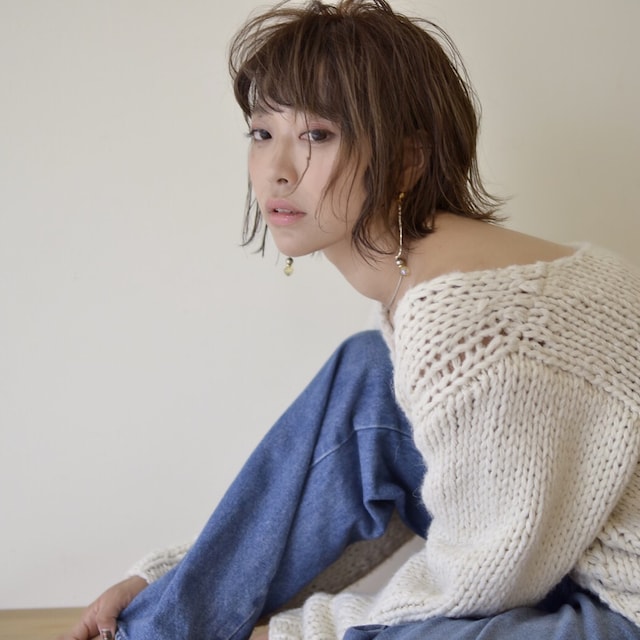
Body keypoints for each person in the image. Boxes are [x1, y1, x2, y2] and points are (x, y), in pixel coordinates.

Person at [61, 1, 640, 639]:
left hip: (623, 610)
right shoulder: (440, 277)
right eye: (262, 133)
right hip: (563, 560)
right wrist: (180, 582)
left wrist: (291, 632)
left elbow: (480, 581)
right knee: (366, 370)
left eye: (317, 134)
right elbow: (382, 497)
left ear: (406, 161)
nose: (277, 171)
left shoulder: (465, 321)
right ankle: (161, 628)